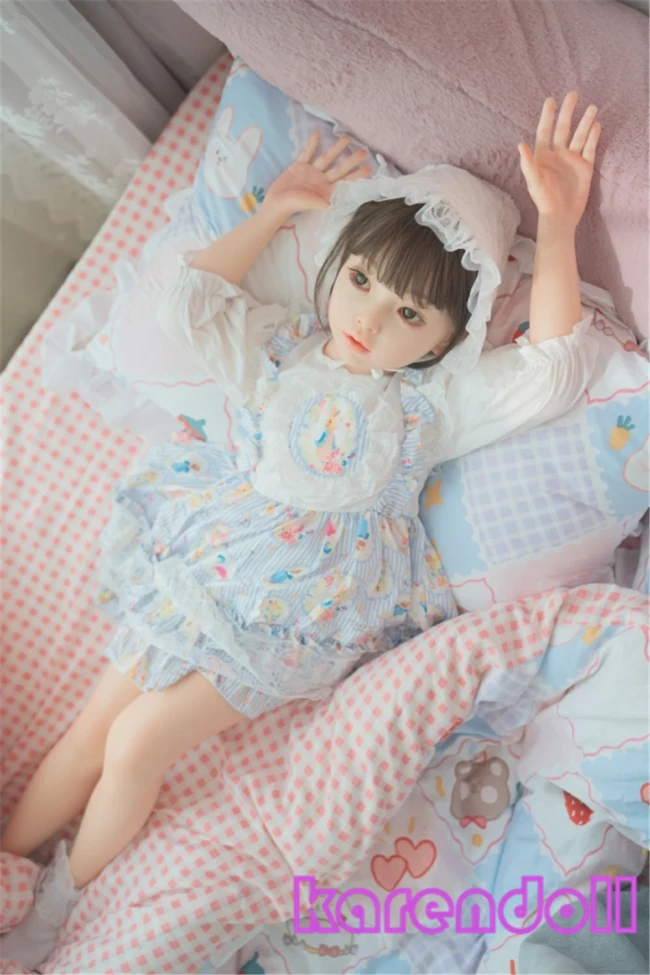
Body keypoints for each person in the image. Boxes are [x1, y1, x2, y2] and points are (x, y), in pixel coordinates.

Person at [0, 93, 601, 970]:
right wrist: (275, 209)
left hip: (298, 620)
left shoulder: (429, 405)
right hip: (207, 566)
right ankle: (7, 866)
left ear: (444, 339)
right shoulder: (284, 350)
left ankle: (53, 912)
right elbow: (191, 303)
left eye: (409, 315)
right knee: (94, 725)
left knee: (135, 741)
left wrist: (559, 229)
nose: (369, 319)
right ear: (337, 265)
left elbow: (551, 372)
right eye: (361, 281)